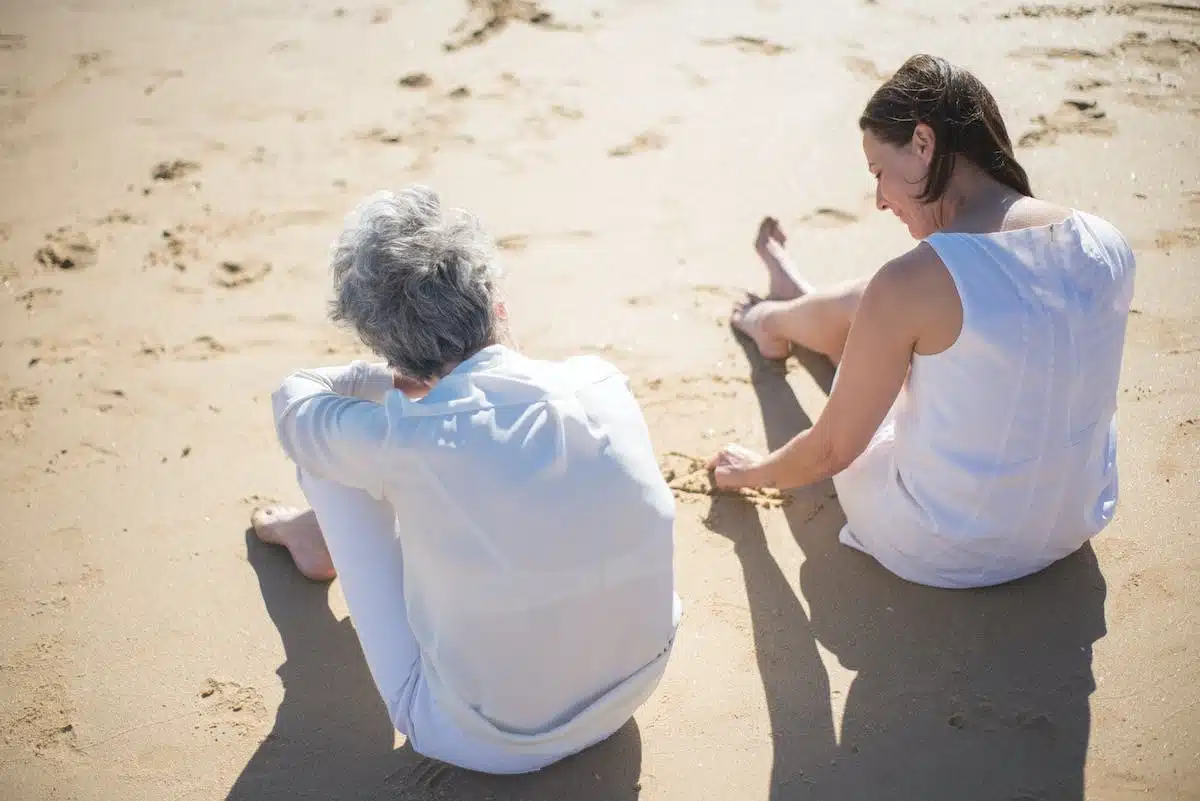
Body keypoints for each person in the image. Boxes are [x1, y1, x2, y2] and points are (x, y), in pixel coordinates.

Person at [252, 186, 681, 774]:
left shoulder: (408, 439)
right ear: (495, 302)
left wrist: (386, 380)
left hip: (490, 742)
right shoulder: (598, 381)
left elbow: (294, 400)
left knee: (330, 455)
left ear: (390, 351)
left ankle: (320, 533)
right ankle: (317, 530)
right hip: (639, 680)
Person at [708, 54, 1136, 589]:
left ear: (924, 144)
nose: (880, 200)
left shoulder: (914, 281)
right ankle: (784, 312)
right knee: (899, 308)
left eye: (878, 172)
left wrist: (747, 472)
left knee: (887, 304)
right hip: (1072, 522)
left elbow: (830, 450)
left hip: (945, 544)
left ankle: (773, 318)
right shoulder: (1106, 241)